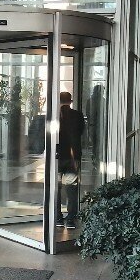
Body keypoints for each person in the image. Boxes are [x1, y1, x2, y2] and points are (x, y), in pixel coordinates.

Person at [57, 91, 85, 229]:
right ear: (70, 101)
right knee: (72, 188)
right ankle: (70, 219)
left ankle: (57, 217)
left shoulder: (53, 116)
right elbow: (81, 132)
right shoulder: (78, 115)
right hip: (73, 156)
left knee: (55, 188)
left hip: (56, 156)